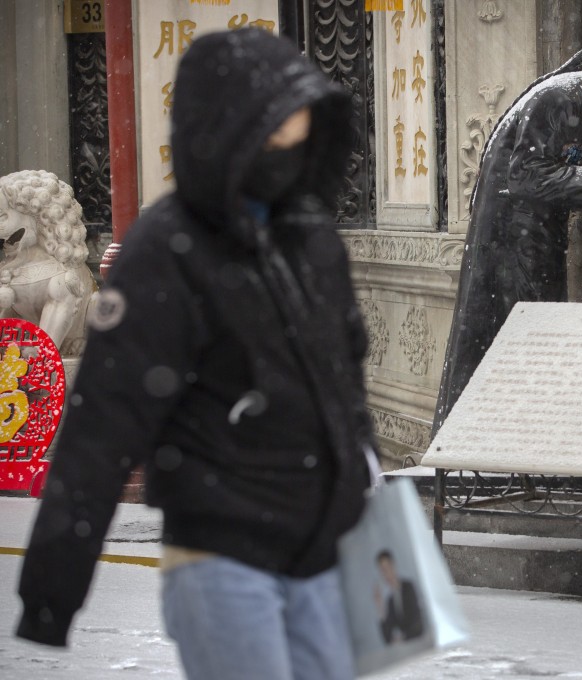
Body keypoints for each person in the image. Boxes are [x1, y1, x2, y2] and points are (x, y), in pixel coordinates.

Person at [16, 29, 375, 680]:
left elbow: (344, 390)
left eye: (301, 131)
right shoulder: (167, 250)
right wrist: (53, 584)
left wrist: (363, 498)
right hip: (223, 555)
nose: (290, 148)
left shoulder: (312, 238)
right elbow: (105, 424)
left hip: (328, 549)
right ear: (228, 131)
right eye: (275, 131)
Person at [432, 25, 582, 435]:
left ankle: (524, 445)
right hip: (509, 242)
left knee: (532, 341)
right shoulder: (563, 97)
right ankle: (486, 445)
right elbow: (525, 176)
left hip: (537, 239)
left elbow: (559, 173)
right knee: (509, 343)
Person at [0, 169, 97, 356]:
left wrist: (41, 352)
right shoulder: (11, 267)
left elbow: (58, 307)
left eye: (3, 216)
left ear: (33, 213)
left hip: (69, 341)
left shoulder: (61, 271)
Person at [373, 550, 424, 644]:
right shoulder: (390, 601)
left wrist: (403, 638)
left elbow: (418, 624)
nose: (386, 574)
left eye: (387, 568)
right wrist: (380, 609)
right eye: (383, 571)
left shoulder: (409, 587)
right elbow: (388, 639)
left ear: (393, 566)